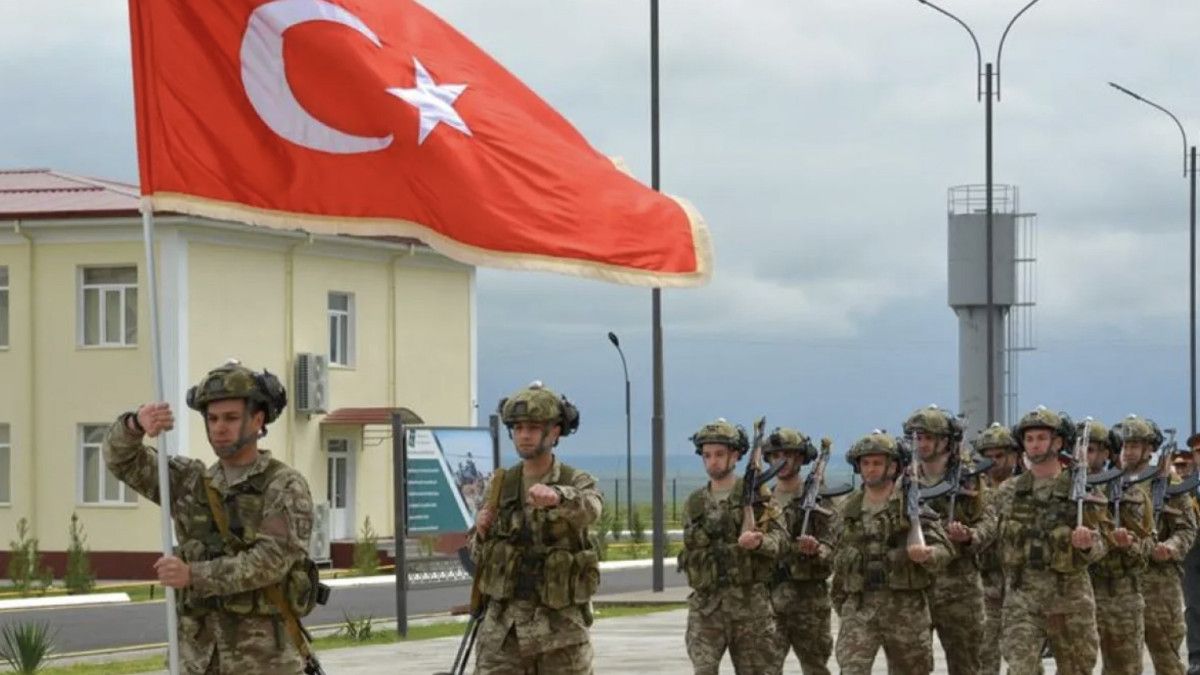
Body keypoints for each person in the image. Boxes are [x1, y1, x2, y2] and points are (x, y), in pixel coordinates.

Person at [104, 360, 319, 674]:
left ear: (257, 420)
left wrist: (193, 575)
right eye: (212, 418)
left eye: (231, 418)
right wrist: (136, 424)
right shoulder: (191, 483)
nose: (219, 427)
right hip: (197, 661)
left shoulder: (284, 485)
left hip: (263, 662)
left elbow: (270, 561)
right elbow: (121, 461)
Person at [951, 406, 1111, 675]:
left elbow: (1103, 541)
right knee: (1021, 668)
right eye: (1029, 439)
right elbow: (989, 527)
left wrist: (1087, 545)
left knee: (1077, 669)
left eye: (1041, 438)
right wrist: (969, 537)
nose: (1035, 444)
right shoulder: (1009, 491)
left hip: (1070, 600)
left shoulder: (1081, 490)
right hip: (1022, 601)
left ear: (1057, 443)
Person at [470, 382, 601, 675]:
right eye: (518, 428)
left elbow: (592, 508)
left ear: (554, 432)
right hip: (503, 636)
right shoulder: (500, 485)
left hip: (560, 635)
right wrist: (479, 531)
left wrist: (559, 497)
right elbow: (479, 555)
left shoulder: (575, 480)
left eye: (532, 427)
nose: (524, 435)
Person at [832, 430, 952, 675]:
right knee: (851, 669)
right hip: (860, 606)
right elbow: (835, 554)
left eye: (877, 463)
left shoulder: (912, 506)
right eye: (866, 463)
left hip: (905, 608)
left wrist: (927, 554)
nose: (870, 469)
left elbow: (945, 550)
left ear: (893, 466)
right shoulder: (847, 510)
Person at [678, 419, 787, 675]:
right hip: (706, 608)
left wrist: (759, 542)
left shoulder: (758, 496)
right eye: (706, 455)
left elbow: (781, 541)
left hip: (750, 606)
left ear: (735, 455)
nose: (712, 462)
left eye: (719, 454)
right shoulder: (695, 503)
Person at [905, 405, 986, 675]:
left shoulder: (969, 479)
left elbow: (990, 521)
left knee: (966, 666)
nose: (922, 444)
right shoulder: (905, 479)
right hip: (916, 587)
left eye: (929, 438)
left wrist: (970, 536)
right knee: (911, 665)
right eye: (917, 438)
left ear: (945, 442)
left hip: (959, 589)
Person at [1115, 414, 1197, 675]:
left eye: (1134, 445)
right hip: (1121, 583)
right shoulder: (1113, 482)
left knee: (1167, 661)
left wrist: (1171, 547)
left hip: (1159, 584)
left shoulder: (1168, 482)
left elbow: (1187, 528)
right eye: (1125, 445)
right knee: (1121, 663)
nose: (1128, 451)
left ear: (1149, 449)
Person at [763, 427, 838, 675]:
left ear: (801, 458)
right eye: (775, 456)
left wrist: (817, 550)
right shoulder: (762, 500)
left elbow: (833, 546)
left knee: (815, 668)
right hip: (769, 600)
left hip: (809, 601)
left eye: (788, 455)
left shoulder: (818, 499)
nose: (781, 461)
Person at [1083, 418, 1153, 675]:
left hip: (1122, 593)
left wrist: (1128, 545)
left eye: (1092, 449)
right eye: (1081, 449)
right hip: (1078, 592)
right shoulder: (1063, 490)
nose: (1084, 456)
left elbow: (1148, 544)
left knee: (1124, 668)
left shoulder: (1130, 493)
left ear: (1106, 453)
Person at [973, 422, 1023, 675]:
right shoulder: (973, 491)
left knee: (1023, 659)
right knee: (983, 656)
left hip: (1021, 585)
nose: (993, 462)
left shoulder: (1025, 489)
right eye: (988, 456)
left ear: (1014, 456)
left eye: (999, 455)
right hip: (985, 586)